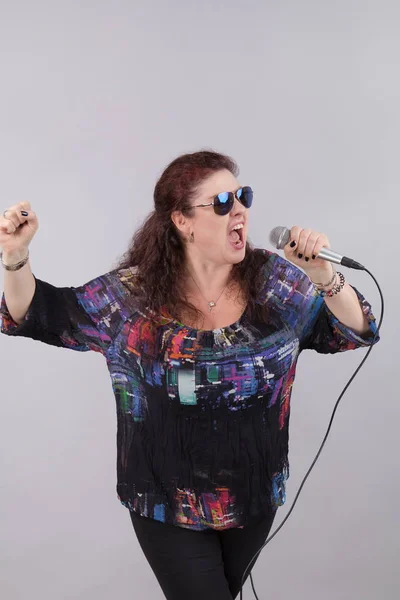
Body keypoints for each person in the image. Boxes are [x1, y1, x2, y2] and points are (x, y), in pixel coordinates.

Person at [0, 150, 379, 599]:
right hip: (165, 503)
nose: (239, 210)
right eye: (222, 202)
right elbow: (36, 313)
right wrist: (15, 257)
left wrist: (323, 275)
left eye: (243, 197)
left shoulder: (276, 284)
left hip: (254, 500)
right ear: (183, 221)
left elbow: (354, 329)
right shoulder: (131, 299)